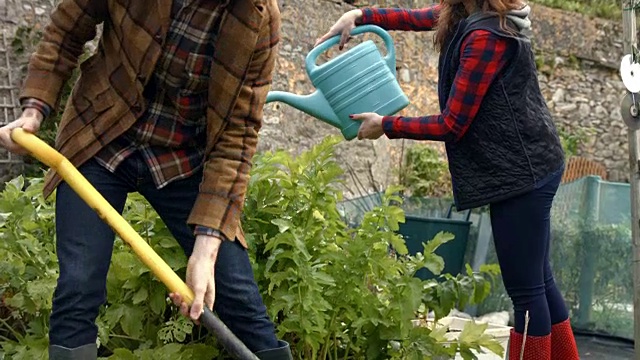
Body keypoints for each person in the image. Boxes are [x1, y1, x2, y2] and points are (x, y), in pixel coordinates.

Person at [0, 0, 292, 359]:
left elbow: (239, 133)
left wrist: (205, 248)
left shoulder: (257, 18)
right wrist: (34, 110)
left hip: (182, 160)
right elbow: (67, 27)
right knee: (79, 284)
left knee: (236, 295)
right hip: (102, 138)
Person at [317, 2, 579, 360]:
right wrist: (360, 16)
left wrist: (387, 125)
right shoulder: (468, 10)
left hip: (523, 175)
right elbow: (414, 17)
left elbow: (452, 123)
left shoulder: (488, 36)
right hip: (529, 164)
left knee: (527, 292)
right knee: (540, 282)